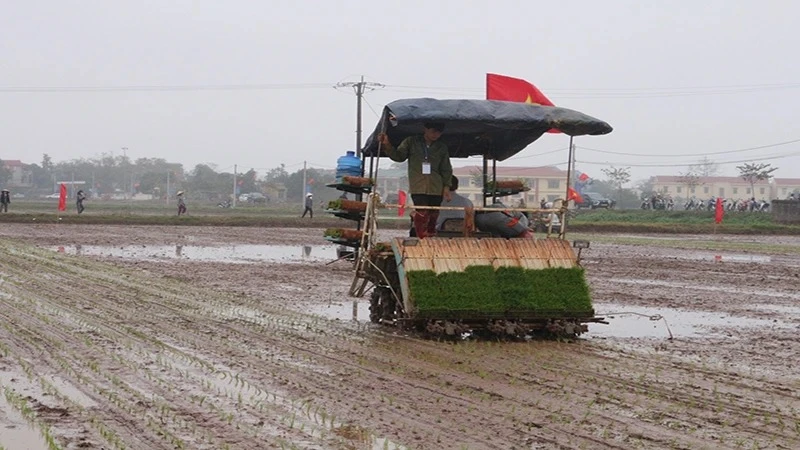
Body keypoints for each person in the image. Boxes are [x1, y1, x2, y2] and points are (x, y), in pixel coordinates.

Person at [379, 122, 453, 238]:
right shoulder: (411, 142)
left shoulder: (441, 147)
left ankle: (431, 234)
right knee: (422, 212)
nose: (436, 135)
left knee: (434, 213)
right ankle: (421, 236)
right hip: (417, 185)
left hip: (436, 186)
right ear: (425, 129)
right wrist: (387, 145)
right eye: (433, 131)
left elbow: (446, 169)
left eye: (439, 133)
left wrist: (446, 187)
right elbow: (398, 156)